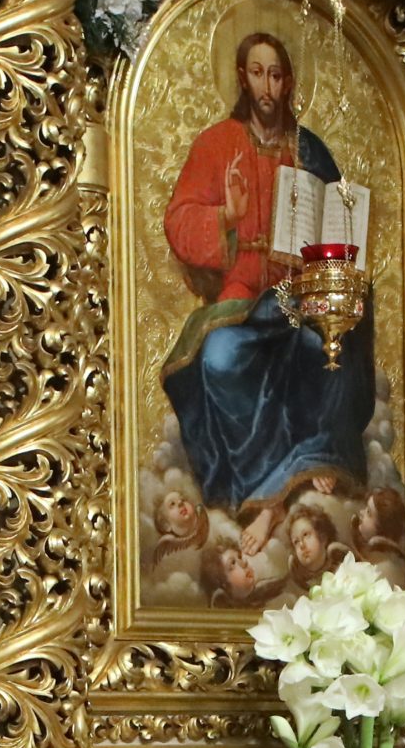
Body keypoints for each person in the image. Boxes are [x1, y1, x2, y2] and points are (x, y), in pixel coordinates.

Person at [160, 29, 377, 530]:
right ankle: (262, 491)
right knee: (218, 357)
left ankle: (311, 462)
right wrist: (226, 218)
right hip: (240, 294)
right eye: (257, 73)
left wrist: (331, 260)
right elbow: (179, 219)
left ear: (288, 82)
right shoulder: (217, 144)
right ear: (242, 78)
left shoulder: (310, 150)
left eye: (276, 75)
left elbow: (339, 222)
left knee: (322, 346)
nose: (267, 87)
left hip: (300, 290)